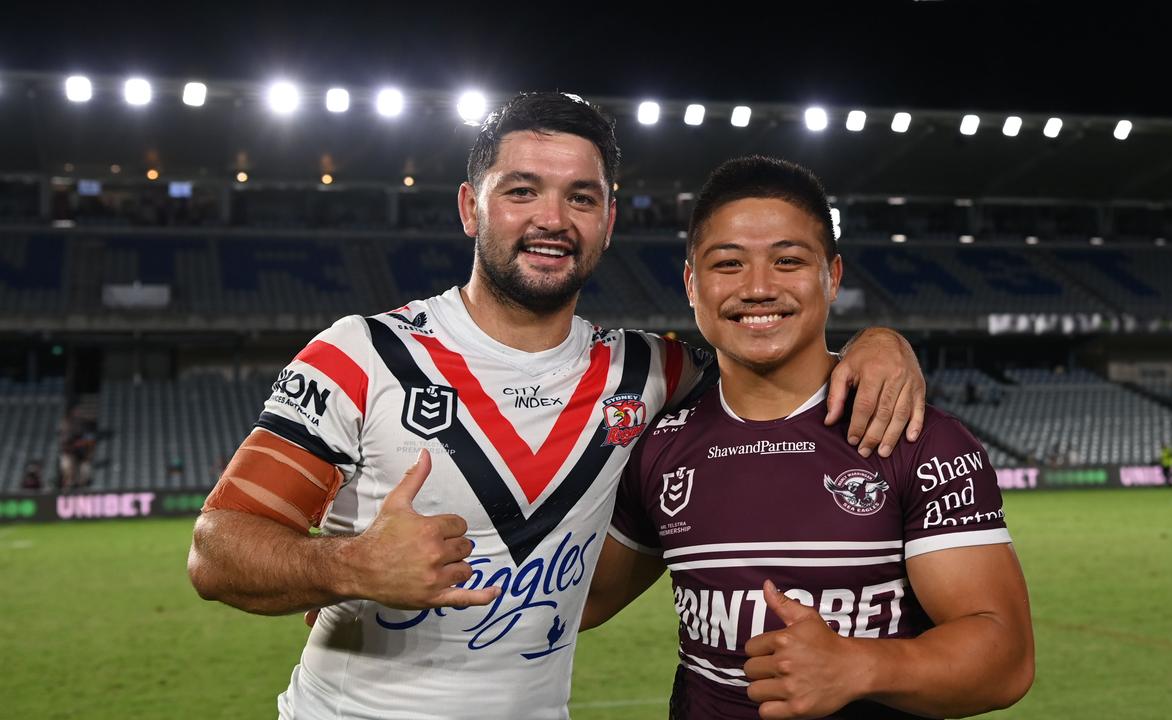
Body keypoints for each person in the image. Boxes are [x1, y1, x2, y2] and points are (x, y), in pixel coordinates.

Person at [186, 93, 926, 719]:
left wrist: (879, 340)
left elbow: (774, 360)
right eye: (522, 190)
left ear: (608, 220)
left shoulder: (653, 369)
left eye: (581, 197)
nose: (553, 218)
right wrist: (348, 565)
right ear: (472, 208)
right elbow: (217, 549)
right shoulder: (361, 355)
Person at [584, 156, 1034, 719]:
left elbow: (1006, 655)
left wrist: (860, 666)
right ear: (691, 285)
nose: (757, 287)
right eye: (727, 264)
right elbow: (588, 599)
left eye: (788, 260)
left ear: (834, 276)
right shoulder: (659, 442)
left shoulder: (917, 436)